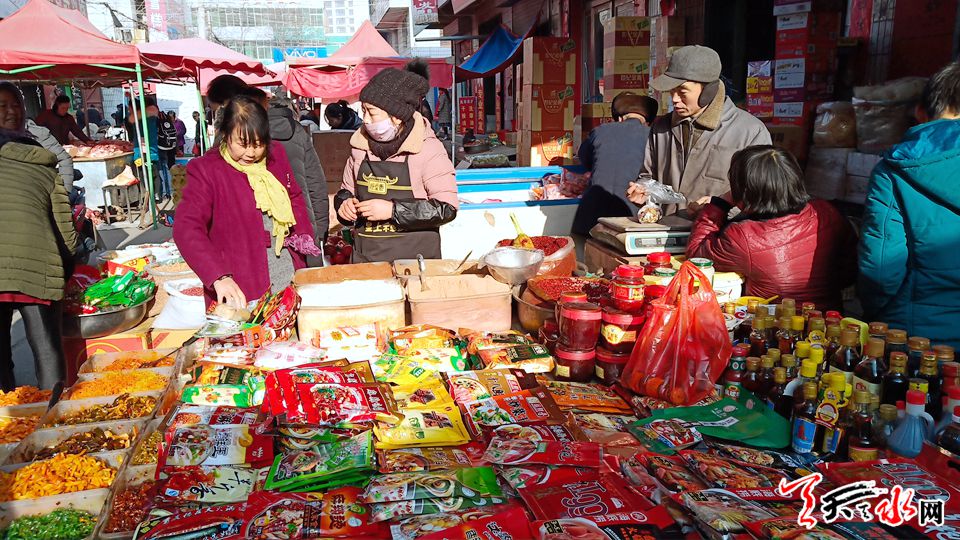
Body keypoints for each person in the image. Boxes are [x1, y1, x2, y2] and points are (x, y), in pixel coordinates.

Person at [174, 96, 317, 308]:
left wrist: (302, 237)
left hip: (287, 271)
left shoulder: (275, 154)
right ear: (225, 135)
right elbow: (186, 228)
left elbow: (293, 196)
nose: (251, 153)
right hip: (240, 283)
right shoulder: (207, 169)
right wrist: (218, 276)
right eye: (243, 144)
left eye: (259, 144)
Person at [858, 61, 960, 347]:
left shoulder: (895, 170)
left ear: (920, 112)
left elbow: (881, 266)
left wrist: (875, 314)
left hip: (915, 336)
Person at [683, 145, 857, 311]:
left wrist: (719, 204)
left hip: (772, 323)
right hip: (829, 319)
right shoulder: (826, 212)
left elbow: (697, 255)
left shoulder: (743, 237)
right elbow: (848, 272)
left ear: (743, 191)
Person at [335, 65, 458, 263]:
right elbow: (346, 191)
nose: (365, 120)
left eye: (372, 112)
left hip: (416, 263)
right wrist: (344, 204)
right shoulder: (359, 147)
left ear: (397, 116)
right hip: (366, 260)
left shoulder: (427, 149)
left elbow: (447, 208)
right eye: (363, 111)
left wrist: (392, 211)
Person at [0, 82, 78, 392]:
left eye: (15, 105)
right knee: (47, 351)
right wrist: (67, 272)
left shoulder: (44, 163)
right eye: (2, 106)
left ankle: (8, 417)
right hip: (37, 266)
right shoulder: (43, 162)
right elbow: (66, 233)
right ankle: (52, 415)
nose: (12, 111)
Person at [637, 45, 770, 214]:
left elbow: (761, 194)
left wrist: (720, 205)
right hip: (666, 226)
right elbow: (647, 178)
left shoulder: (750, 132)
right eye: (672, 91)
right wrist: (643, 192)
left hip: (720, 228)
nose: (675, 99)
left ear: (708, 91)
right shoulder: (661, 127)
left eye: (682, 92)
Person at [573, 92, 659, 235]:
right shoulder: (654, 137)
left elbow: (585, 158)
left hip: (591, 216)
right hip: (630, 217)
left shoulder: (600, 131)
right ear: (648, 122)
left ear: (619, 119)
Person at [267, 94, 329, 262]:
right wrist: (321, 230)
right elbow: (316, 182)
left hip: (269, 226)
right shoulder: (299, 132)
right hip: (304, 221)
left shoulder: (250, 135)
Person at [26, 118, 74, 192]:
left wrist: (64, 191)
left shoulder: (36, 133)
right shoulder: (45, 116)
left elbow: (64, 159)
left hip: (40, 188)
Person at [157, 111, 177, 200]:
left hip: (160, 148)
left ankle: (165, 192)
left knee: (161, 170)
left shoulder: (156, 120)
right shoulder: (166, 119)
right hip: (169, 148)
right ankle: (170, 191)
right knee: (167, 169)